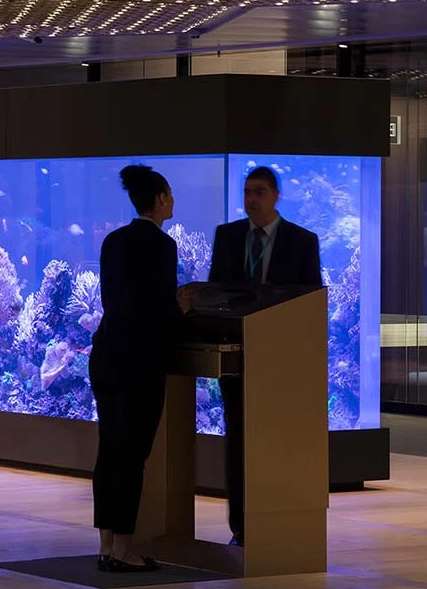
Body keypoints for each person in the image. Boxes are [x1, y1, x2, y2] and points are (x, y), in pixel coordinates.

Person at [208, 165, 322, 547]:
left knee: (277, 440)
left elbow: (309, 301)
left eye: (258, 192)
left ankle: (279, 519)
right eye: (246, 192)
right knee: (237, 439)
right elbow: (215, 292)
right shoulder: (226, 237)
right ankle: (241, 527)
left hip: (281, 362)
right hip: (236, 358)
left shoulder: (302, 241)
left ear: (276, 196)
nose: (251, 200)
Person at [90, 164, 192, 573]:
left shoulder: (113, 241)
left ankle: (106, 543)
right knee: (133, 455)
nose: (172, 199)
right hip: (140, 363)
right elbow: (159, 312)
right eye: (169, 192)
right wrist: (181, 307)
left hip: (107, 355)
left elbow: (115, 301)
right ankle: (125, 550)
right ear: (161, 198)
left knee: (109, 450)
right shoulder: (162, 247)